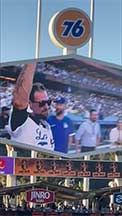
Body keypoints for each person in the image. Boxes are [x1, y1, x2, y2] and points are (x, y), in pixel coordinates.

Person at [8, 64, 54, 150]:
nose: (46, 106)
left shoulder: (46, 125)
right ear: (29, 104)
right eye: (42, 103)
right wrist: (32, 61)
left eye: (48, 102)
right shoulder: (22, 122)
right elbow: (19, 101)